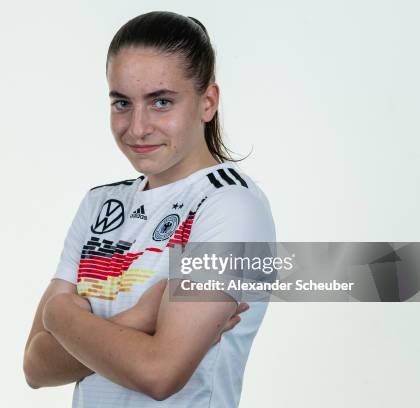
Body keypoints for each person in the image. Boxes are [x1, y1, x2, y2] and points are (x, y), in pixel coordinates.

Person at [23, 10, 276, 407]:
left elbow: (159, 373)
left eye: (161, 102)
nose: (137, 127)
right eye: (122, 103)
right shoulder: (100, 204)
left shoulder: (230, 206)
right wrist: (138, 320)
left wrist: (61, 317)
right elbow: (36, 368)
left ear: (207, 102)